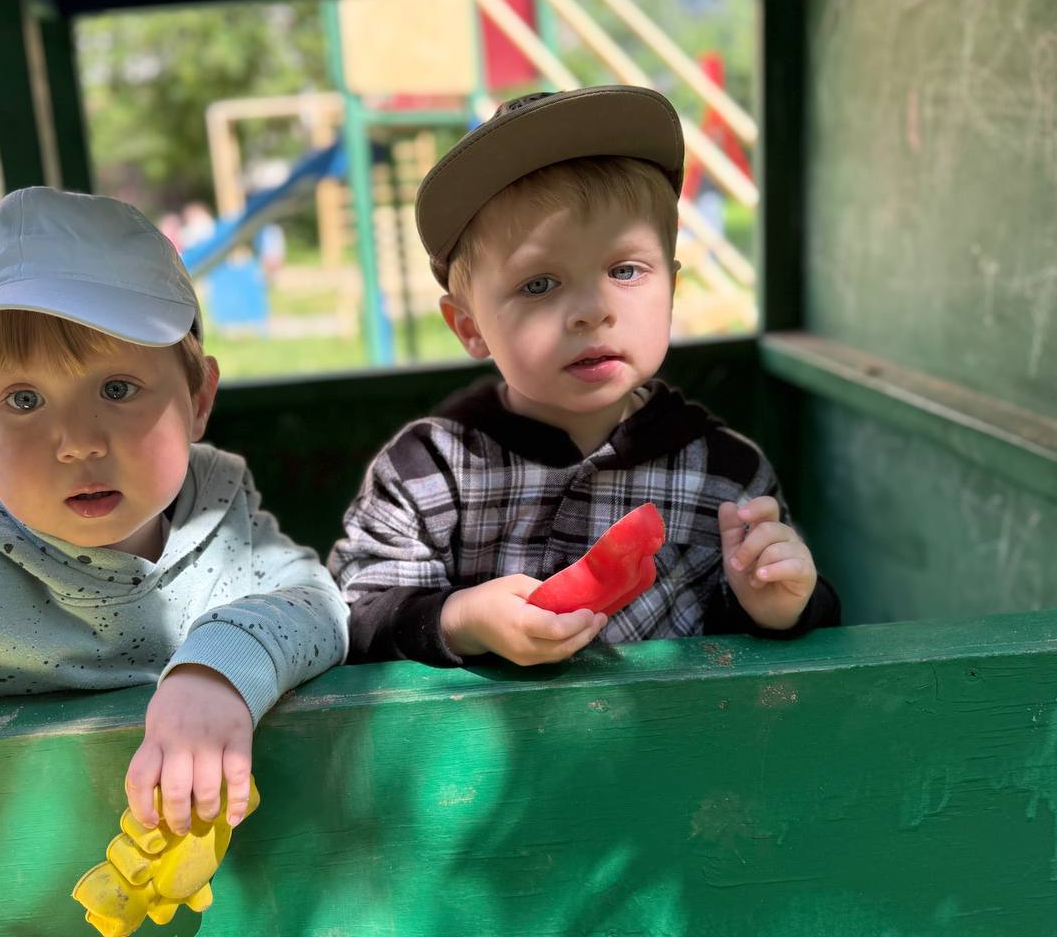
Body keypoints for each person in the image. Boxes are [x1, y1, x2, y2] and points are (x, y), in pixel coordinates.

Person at [0, 187, 348, 933]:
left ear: (199, 397)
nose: (77, 440)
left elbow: (316, 598)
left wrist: (218, 669)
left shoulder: (223, 527)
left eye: (117, 388)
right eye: (23, 400)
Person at [329, 86, 839, 667]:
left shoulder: (726, 476)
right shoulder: (430, 471)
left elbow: (782, 653)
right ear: (470, 327)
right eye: (539, 284)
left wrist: (778, 608)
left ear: (672, 288)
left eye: (625, 270)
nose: (592, 311)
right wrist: (460, 620)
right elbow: (351, 615)